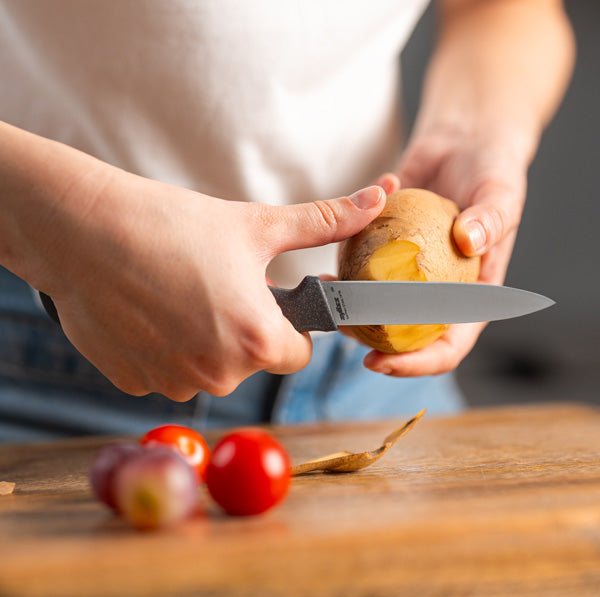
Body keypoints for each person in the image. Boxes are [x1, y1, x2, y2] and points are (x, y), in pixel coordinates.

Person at [0, 1, 574, 441]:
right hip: (51, 371)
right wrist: (64, 217)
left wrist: (476, 131)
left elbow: (507, 11)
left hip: (373, 391)